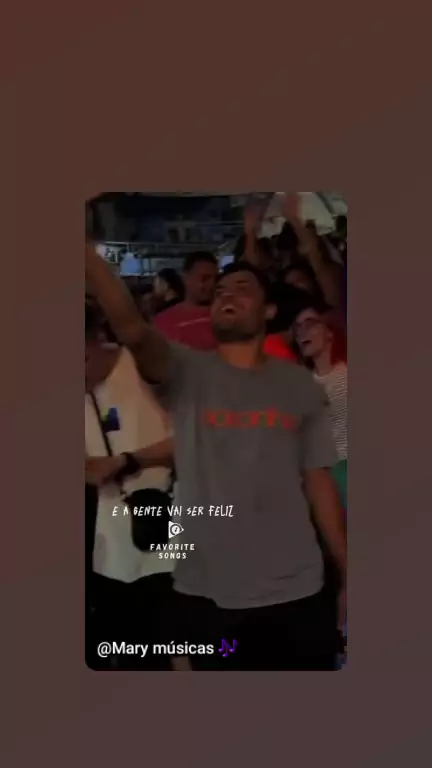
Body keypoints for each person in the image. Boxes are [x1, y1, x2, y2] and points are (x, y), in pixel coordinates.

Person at [86, 245, 347, 671]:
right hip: (208, 595)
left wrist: (348, 571)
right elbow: (132, 329)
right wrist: (86, 253)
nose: (227, 294)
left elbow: (318, 480)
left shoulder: (299, 385)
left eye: (243, 287)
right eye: (221, 290)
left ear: (268, 311)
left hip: (297, 590)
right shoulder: (185, 372)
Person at [84, 303, 177, 670]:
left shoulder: (142, 368)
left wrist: (126, 460)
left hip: (170, 537)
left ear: (98, 337)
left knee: (179, 648)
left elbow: (194, 440)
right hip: (109, 555)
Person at [292, 299, 347, 511]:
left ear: (329, 332)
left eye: (310, 323)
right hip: (321, 478)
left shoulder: (346, 376)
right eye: (298, 327)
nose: (302, 332)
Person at [153, 251, 218, 350]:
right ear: (186, 278)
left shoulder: (225, 317)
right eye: (204, 278)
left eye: (216, 279)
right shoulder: (162, 322)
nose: (212, 284)